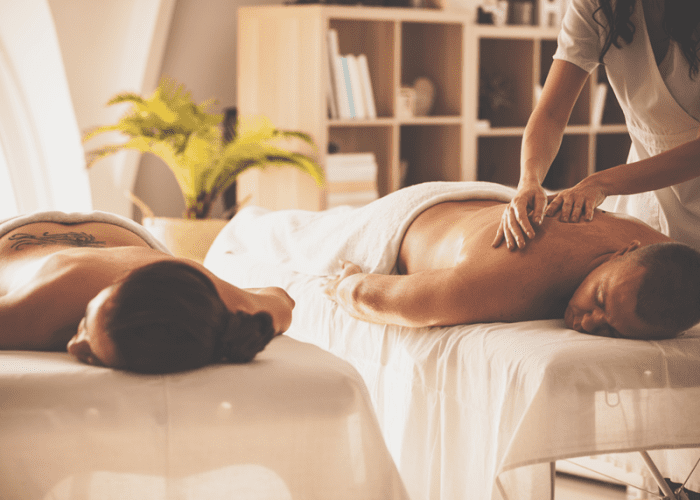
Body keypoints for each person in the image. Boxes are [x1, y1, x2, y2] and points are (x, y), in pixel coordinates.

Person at [324, 197, 700, 340]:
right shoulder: (512, 276)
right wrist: (347, 282)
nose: (588, 320)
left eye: (610, 329)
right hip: (407, 217)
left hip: (488, 201)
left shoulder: (660, 255)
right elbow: (389, 301)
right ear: (625, 251)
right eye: (599, 298)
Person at [493, 0, 700, 252]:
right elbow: (550, 113)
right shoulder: (597, 6)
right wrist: (528, 180)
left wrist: (602, 183)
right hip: (648, 194)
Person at [0, 211, 294, 373]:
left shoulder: (204, 301)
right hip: (16, 234)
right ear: (121, 283)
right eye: (84, 324)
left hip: (127, 237)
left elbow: (280, 301)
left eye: (92, 357)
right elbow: (281, 299)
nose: (74, 346)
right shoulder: (33, 311)